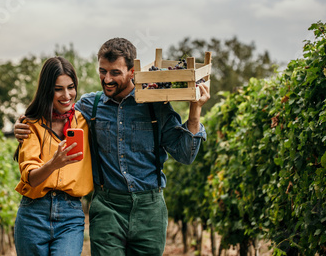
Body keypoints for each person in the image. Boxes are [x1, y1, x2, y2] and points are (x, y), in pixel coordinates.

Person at [15, 38, 210, 256]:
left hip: (150, 210)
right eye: (102, 71)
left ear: (132, 72)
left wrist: (195, 110)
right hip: (108, 208)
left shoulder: (156, 107)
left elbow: (185, 155)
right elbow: (57, 110)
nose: (107, 79)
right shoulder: (90, 106)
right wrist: (22, 123)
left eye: (115, 73)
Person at [13, 56, 93, 256]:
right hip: (33, 214)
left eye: (71, 87)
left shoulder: (86, 120)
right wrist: (53, 164)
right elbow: (30, 178)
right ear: (47, 90)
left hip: (70, 213)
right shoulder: (31, 125)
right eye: (58, 89)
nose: (67, 95)